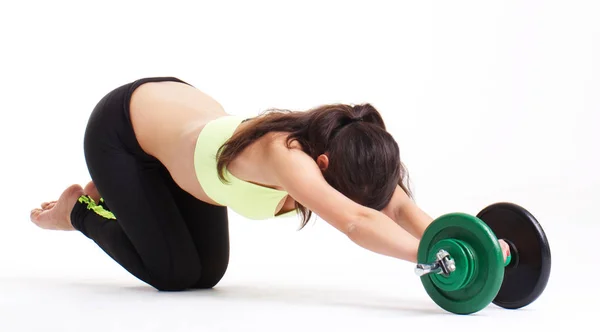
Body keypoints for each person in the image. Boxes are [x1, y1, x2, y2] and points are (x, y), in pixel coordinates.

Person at [30, 77, 510, 291]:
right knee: (175, 276)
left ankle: (128, 191)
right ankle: (78, 210)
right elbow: (357, 220)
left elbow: (401, 212)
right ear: (321, 164)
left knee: (206, 275)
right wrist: (429, 259)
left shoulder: (355, 150)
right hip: (122, 132)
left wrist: (476, 245)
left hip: (178, 125)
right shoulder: (287, 156)